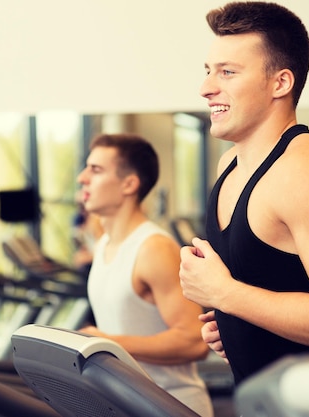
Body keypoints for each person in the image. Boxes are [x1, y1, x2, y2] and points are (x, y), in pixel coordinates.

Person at [178, 1, 309, 387]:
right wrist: (235, 324)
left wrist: (226, 295)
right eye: (208, 71)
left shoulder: (305, 172)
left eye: (228, 72)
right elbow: (269, 288)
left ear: (281, 83)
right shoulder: (230, 164)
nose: (206, 88)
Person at [77, 133, 214, 416]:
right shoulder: (104, 243)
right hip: (125, 402)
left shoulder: (154, 248)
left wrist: (104, 343)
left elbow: (194, 340)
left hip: (170, 404)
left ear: (129, 183)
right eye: (87, 167)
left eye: (96, 170)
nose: (82, 178)